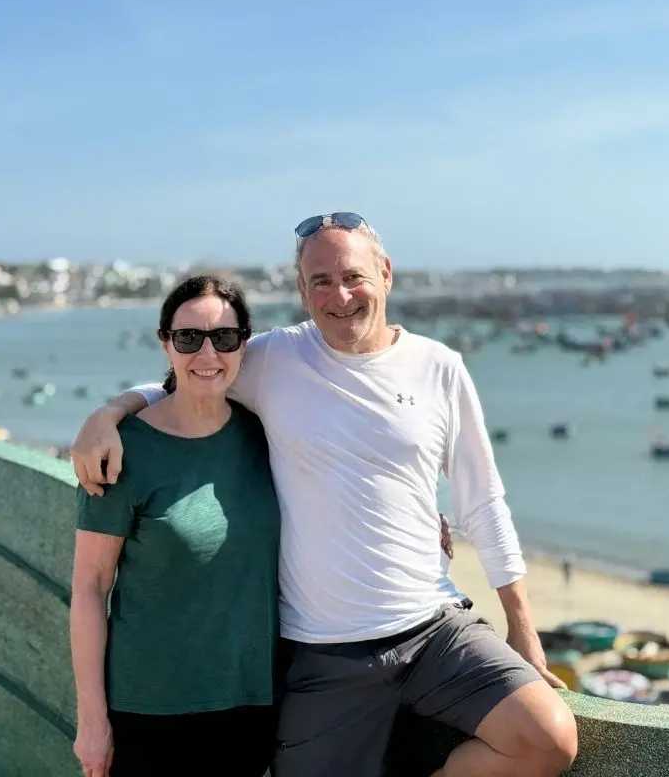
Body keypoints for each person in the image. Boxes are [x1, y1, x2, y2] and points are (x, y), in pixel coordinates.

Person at [71, 212, 578, 777]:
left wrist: (522, 629)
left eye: (354, 276)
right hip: (322, 652)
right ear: (301, 290)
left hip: (435, 626)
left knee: (548, 738)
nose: (340, 296)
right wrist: (108, 414)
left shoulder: (440, 367)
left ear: (385, 274)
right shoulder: (275, 358)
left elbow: (482, 502)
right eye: (320, 281)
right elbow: (192, 374)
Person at [69, 275, 280, 777]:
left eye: (224, 337)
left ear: (243, 344)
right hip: (148, 710)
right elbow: (89, 589)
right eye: (189, 338)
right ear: (165, 344)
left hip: (252, 703)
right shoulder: (121, 451)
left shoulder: (266, 433)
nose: (207, 352)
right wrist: (92, 721)